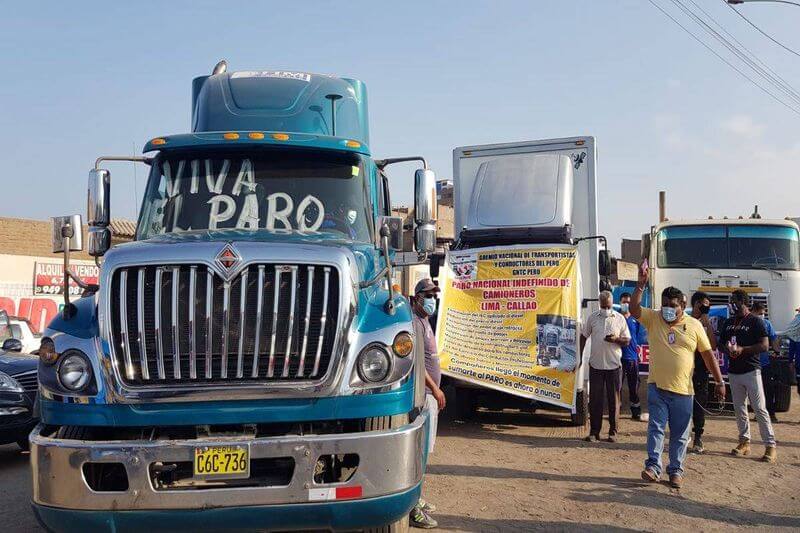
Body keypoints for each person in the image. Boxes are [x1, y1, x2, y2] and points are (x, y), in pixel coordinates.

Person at [630, 264, 725, 489]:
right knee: (656, 428)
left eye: (672, 306)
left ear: (683, 305)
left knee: (680, 435)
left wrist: (720, 381)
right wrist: (641, 284)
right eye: (664, 306)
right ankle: (653, 467)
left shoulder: (694, 326)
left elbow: (708, 355)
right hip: (657, 388)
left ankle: (676, 471)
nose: (667, 310)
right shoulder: (654, 319)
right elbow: (634, 309)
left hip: (683, 392)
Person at [719, 290, 777, 463]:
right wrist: (727, 350)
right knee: (739, 409)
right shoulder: (729, 323)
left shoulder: (756, 321)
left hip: (752, 371)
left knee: (759, 409)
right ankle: (744, 442)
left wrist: (743, 350)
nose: (733, 305)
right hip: (734, 372)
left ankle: (770, 446)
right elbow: (721, 344)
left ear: (744, 303)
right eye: (732, 301)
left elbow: (765, 345)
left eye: (736, 301)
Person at [409, 278, 446, 529]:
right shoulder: (414, 322)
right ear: (417, 297)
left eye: (434, 294)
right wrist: (434, 388)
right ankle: (412, 507)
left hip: (430, 396)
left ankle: (417, 498)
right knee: (419, 453)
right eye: (428, 294)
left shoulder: (425, 321)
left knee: (424, 453)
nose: (432, 299)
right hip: (424, 395)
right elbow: (417, 363)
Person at [580, 291, 631, 443]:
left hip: (614, 366)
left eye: (608, 306)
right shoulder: (593, 318)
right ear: (599, 304)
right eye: (603, 306)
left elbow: (627, 340)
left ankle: (613, 432)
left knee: (614, 401)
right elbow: (584, 336)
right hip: (596, 365)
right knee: (595, 400)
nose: (606, 309)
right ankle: (594, 432)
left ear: (612, 303)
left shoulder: (619, 318)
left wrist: (616, 339)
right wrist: (580, 357)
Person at [689, 291, 717, 454]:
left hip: (701, 370)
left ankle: (698, 436)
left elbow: (712, 346)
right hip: (684, 369)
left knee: (699, 404)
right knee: (683, 405)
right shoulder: (685, 320)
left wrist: (706, 324)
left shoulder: (707, 322)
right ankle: (683, 435)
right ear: (696, 304)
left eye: (708, 305)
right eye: (704, 304)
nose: (707, 308)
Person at [752, 303, 779, 423]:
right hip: (752, 364)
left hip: (765, 363)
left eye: (763, 313)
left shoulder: (767, 324)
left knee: (768, 389)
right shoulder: (748, 324)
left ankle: (771, 414)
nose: (762, 316)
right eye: (760, 313)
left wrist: (776, 352)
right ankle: (757, 414)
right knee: (755, 391)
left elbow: (774, 339)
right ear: (753, 311)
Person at [618, 292, 643, 421]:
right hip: (618, 358)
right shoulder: (616, 318)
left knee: (634, 387)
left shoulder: (635, 319)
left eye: (628, 302)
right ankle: (616, 410)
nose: (626, 304)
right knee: (617, 386)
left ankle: (635, 411)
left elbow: (636, 336)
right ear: (620, 302)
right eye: (624, 302)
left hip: (632, 358)